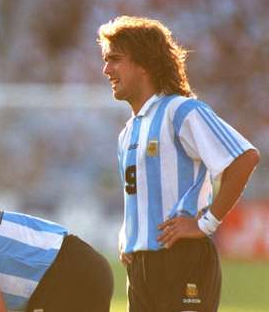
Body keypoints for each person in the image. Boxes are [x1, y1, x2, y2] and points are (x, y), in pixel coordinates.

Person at [97, 16, 260, 312]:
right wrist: (129, 235)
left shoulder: (180, 110)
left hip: (182, 258)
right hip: (141, 268)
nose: (106, 69)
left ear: (144, 64)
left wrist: (206, 223)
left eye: (115, 59)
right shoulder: (128, 132)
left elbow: (244, 157)